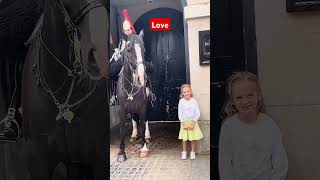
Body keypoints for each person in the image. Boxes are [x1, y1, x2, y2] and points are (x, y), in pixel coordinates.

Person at [218, 72, 288, 180]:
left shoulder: (269, 125)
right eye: (239, 97)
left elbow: (280, 163)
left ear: (258, 96)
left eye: (250, 95)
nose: (245, 101)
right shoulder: (228, 128)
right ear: (232, 100)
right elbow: (224, 164)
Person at [178, 84, 203, 160]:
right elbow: (180, 112)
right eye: (184, 92)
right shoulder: (181, 101)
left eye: (188, 91)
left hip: (193, 122)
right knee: (184, 138)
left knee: (192, 138)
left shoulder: (194, 101)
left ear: (190, 92)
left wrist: (194, 122)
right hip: (184, 122)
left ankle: (192, 152)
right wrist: (183, 122)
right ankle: (184, 151)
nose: (186, 93)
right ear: (182, 93)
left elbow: (197, 112)